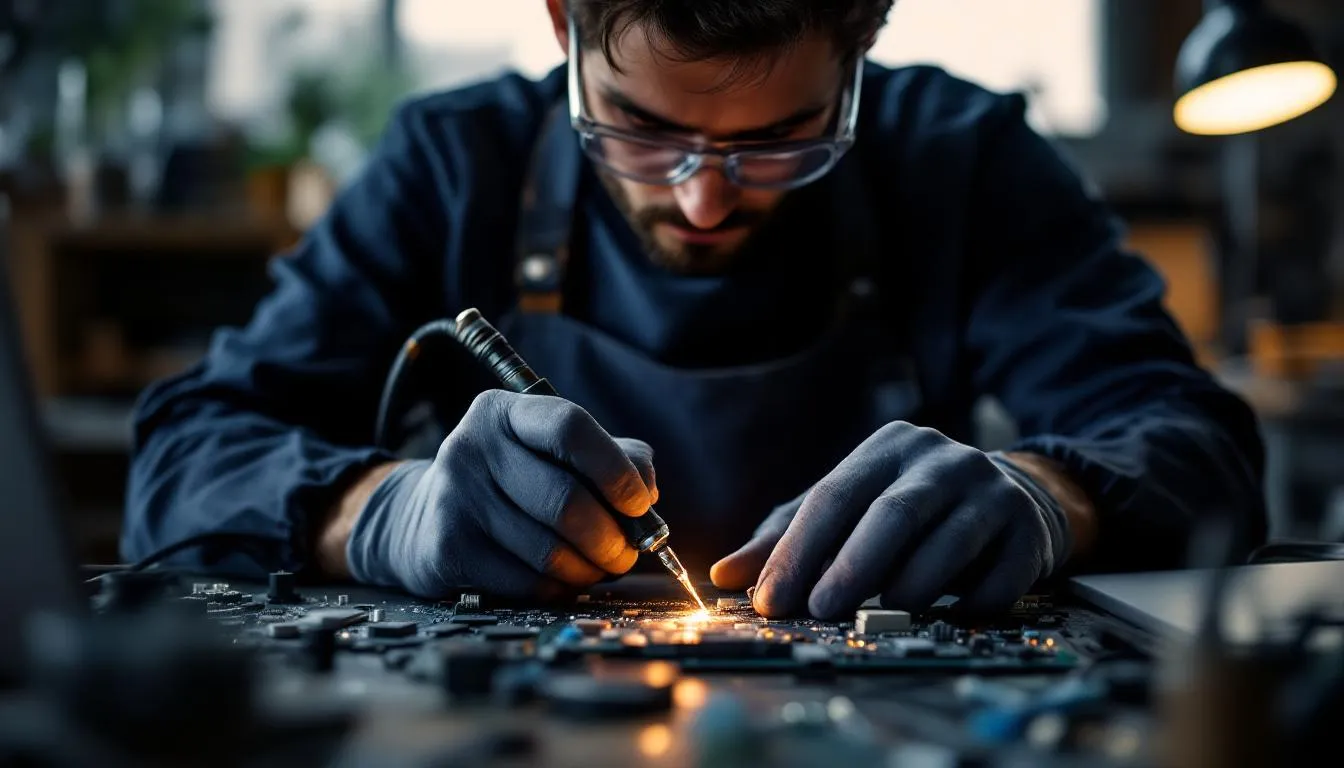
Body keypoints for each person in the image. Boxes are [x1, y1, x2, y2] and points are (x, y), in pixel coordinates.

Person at [123, 0, 1266, 619]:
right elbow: (185, 457)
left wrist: (1046, 494)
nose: (705, 197)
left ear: (864, 33)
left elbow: (1195, 441)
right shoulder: (451, 163)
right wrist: (378, 514)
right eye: (638, 126)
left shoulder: (963, 162)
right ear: (565, 25)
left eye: (779, 140)